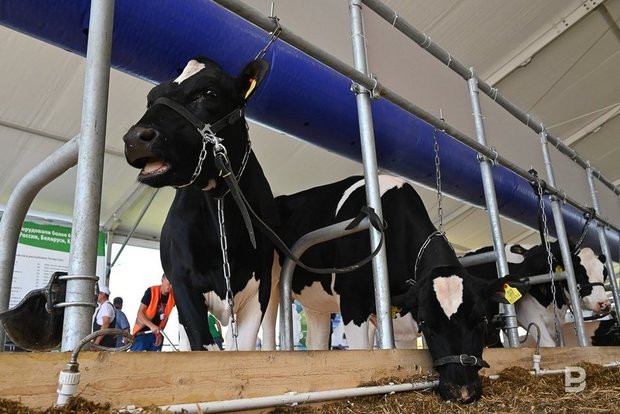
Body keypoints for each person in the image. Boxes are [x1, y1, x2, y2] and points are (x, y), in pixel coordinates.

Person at [130, 274, 176, 351]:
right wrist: (152, 326)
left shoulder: (172, 297)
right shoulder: (151, 291)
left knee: (155, 357)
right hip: (142, 332)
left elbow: (165, 317)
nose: (169, 287)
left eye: (171, 284)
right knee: (137, 357)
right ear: (162, 280)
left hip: (156, 334)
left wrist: (159, 333)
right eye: (168, 284)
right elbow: (139, 313)